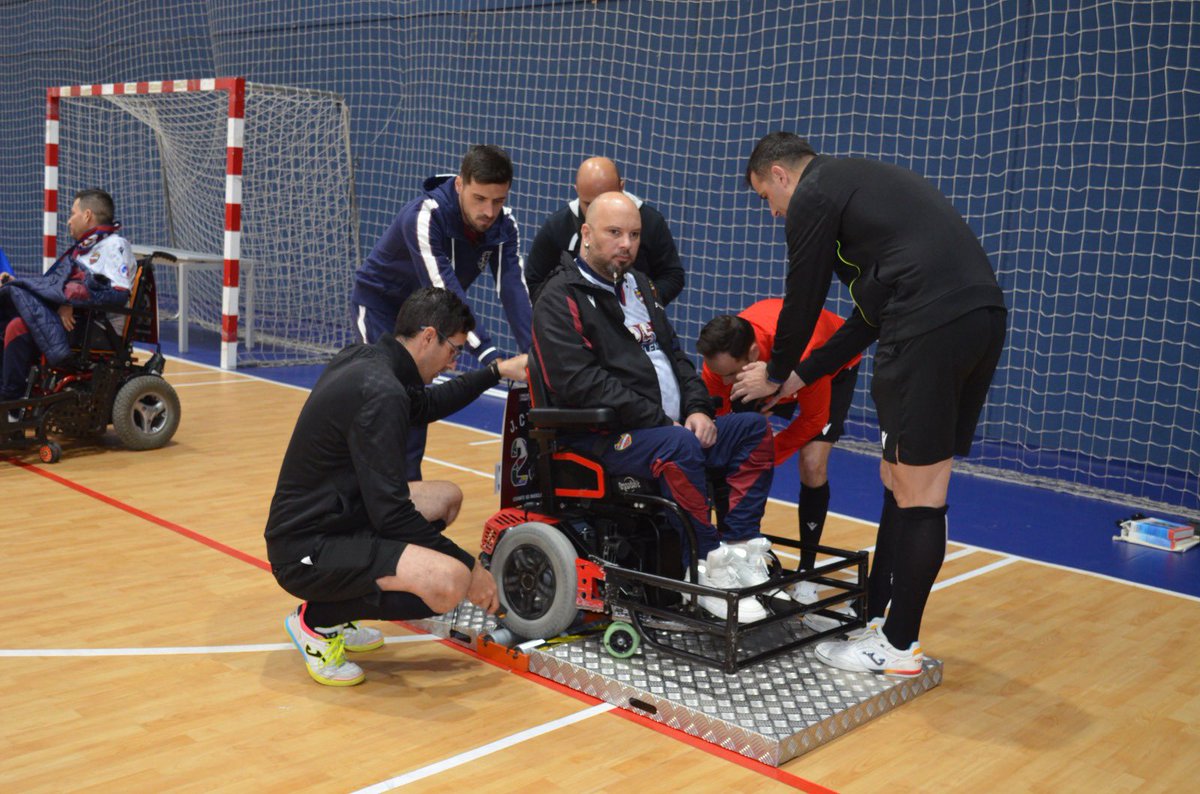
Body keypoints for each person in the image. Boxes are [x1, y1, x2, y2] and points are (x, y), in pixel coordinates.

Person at [734, 132, 1006, 676]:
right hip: (978, 319)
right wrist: (802, 377)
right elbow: (866, 322)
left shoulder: (814, 193)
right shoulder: (868, 202)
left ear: (783, 176)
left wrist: (778, 370)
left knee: (920, 494)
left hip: (927, 325)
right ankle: (878, 617)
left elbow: (803, 296)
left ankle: (899, 644)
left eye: (767, 197)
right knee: (900, 477)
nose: (772, 212)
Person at [531, 191, 774, 623]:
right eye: (614, 232)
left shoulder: (641, 285)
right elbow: (579, 383)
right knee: (678, 445)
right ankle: (704, 570)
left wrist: (698, 407)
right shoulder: (559, 296)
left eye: (635, 234)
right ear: (586, 234)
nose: (626, 243)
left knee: (753, 429)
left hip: (668, 428)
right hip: (600, 438)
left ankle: (738, 551)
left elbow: (676, 356)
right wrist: (663, 421)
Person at [265, 286, 528, 687]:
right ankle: (317, 622)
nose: (453, 362)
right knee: (448, 584)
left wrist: (495, 371)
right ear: (427, 337)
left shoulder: (369, 359)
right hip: (305, 548)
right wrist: (471, 569)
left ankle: (343, 601)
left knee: (446, 499)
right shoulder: (380, 392)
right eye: (453, 350)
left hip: (338, 514)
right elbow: (391, 514)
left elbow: (425, 406)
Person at [351, 144, 532, 480]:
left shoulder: (504, 226)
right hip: (380, 306)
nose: (489, 211)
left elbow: (513, 288)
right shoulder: (425, 215)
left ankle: (406, 491)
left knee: (415, 400)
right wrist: (490, 355)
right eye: (480, 199)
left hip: (425, 316)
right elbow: (446, 290)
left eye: (499, 200)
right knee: (387, 394)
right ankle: (368, 486)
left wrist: (537, 352)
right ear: (460, 184)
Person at [697, 299, 860, 629]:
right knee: (730, 455)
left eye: (729, 375)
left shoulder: (805, 355)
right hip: (768, 377)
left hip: (828, 364)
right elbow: (725, 436)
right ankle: (735, 552)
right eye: (718, 375)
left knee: (813, 462)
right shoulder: (718, 367)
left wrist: (766, 457)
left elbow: (814, 420)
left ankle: (806, 574)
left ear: (754, 355)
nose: (723, 383)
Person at [1, 188, 134, 408]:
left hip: (97, 327)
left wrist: (71, 301)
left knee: (18, 328)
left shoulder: (113, 245)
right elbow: (59, 286)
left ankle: (11, 407)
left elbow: (118, 295)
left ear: (87, 215)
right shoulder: (85, 248)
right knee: (8, 316)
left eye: (72, 213)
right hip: (77, 320)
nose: (68, 221)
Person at [525, 157, 685, 305]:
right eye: (588, 203)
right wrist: (562, 312)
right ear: (577, 190)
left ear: (621, 187)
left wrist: (644, 304)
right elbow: (534, 279)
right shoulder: (557, 226)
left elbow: (672, 275)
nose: (598, 210)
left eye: (634, 234)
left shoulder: (650, 222)